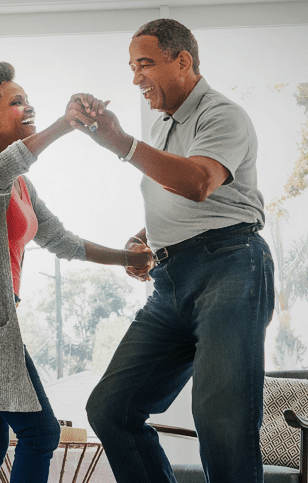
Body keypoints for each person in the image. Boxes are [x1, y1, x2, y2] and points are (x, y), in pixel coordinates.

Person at [65, 19, 275, 483]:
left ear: (183, 61)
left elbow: (199, 182)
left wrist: (120, 142)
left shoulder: (222, 114)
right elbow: (174, 195)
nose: (136, 77)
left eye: (145, 64)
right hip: (170, 282)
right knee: (112, 409)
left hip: (229, 265)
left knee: (222, 417)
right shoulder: (164, 128)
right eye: (132, 67)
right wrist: (144, 237)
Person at [0, 61, 154, 483]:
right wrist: (64, 123)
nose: (28, 107)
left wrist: (130, 260)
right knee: (41, 433)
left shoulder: (23, 187)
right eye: (17, 102)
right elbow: (1, 168)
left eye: (29, 100)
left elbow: (63, 241)